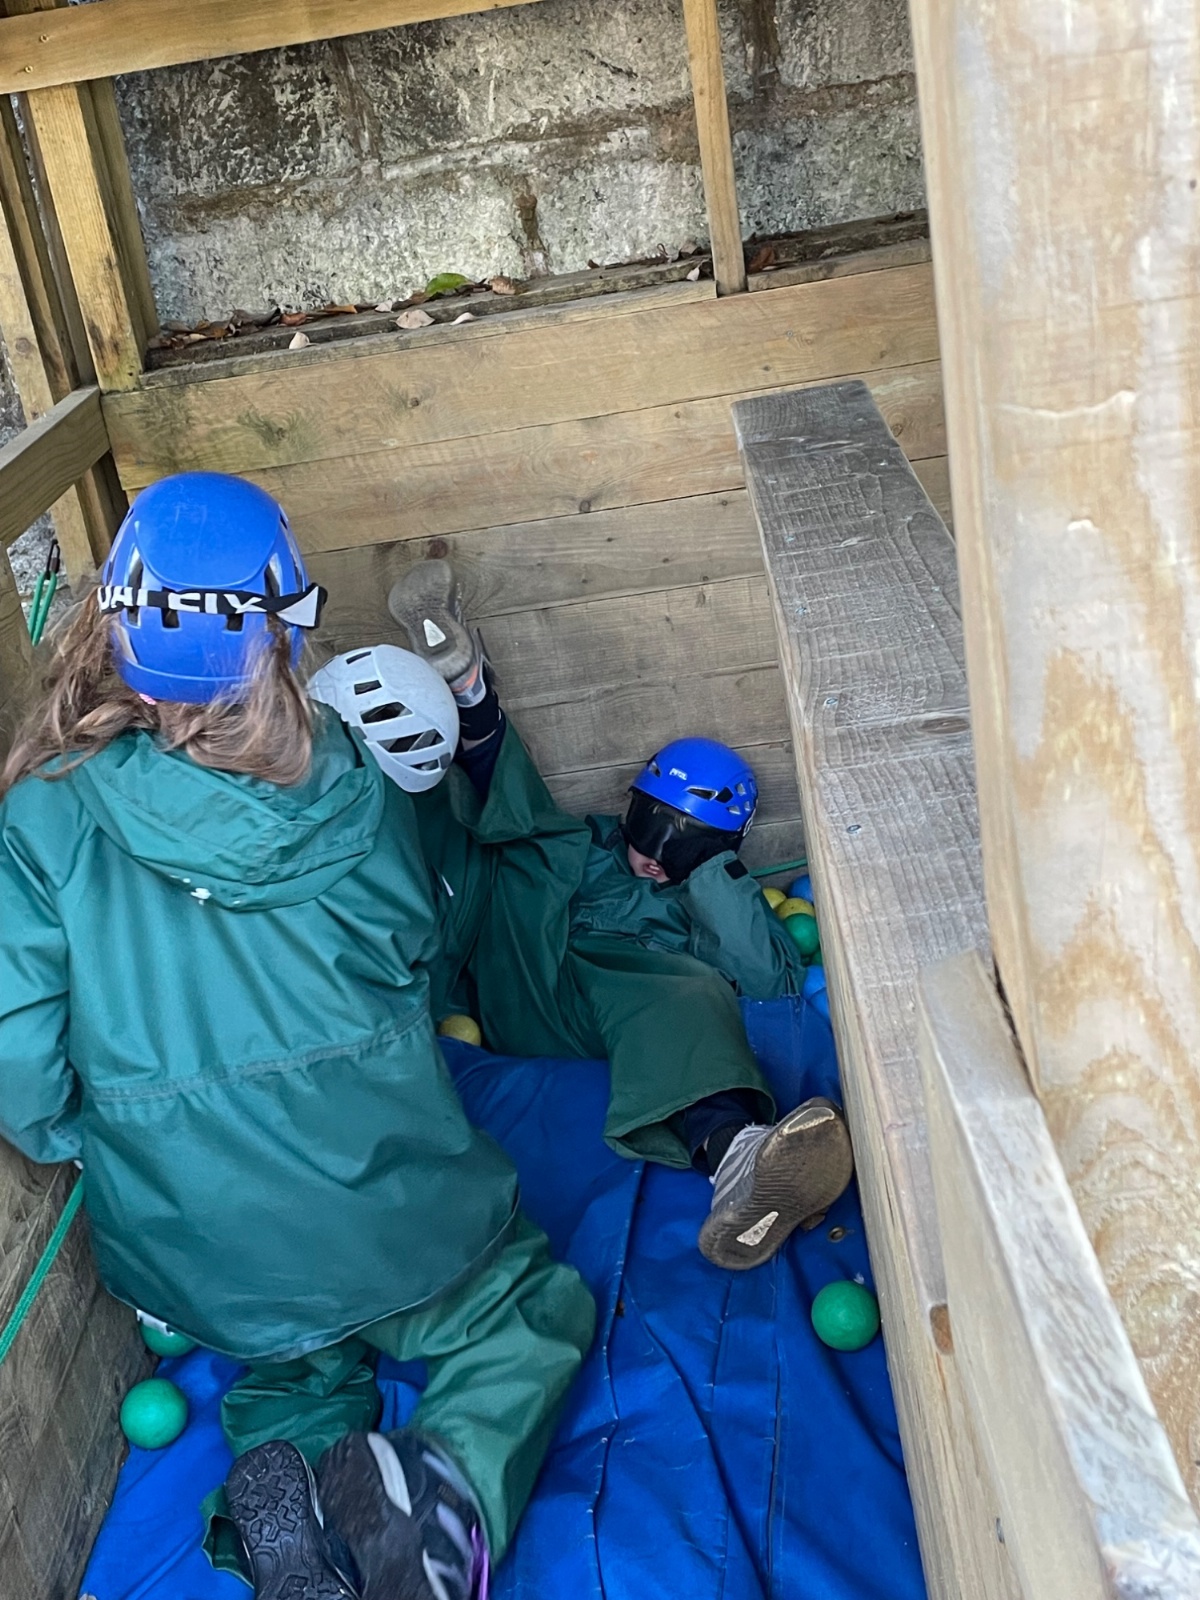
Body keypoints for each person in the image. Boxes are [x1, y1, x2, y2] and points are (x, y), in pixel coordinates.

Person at [0, 475, 595, 1600]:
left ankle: (292, 1482)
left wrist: (101, 1140)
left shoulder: (40, 809)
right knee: (528, 1313)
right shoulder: (351, 781)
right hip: (386, 1209)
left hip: (197, 1249)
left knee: (285, 1356)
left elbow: (18, 1061)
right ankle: (445, 1506)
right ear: (281, 633)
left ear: (109, 623)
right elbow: (415, 951)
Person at [326, 559, 855, 1275]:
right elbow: (526, 830)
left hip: (590, 1010)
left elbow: (772, 981)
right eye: (652, 827)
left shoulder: (706, 900)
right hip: (510, 954)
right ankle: (459, 695)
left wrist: (708, 875)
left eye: (687, 843)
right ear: (631, 806)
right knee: (509, 837)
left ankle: (738, 1160)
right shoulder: (584, 844)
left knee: (687, 990)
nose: (657, 856)